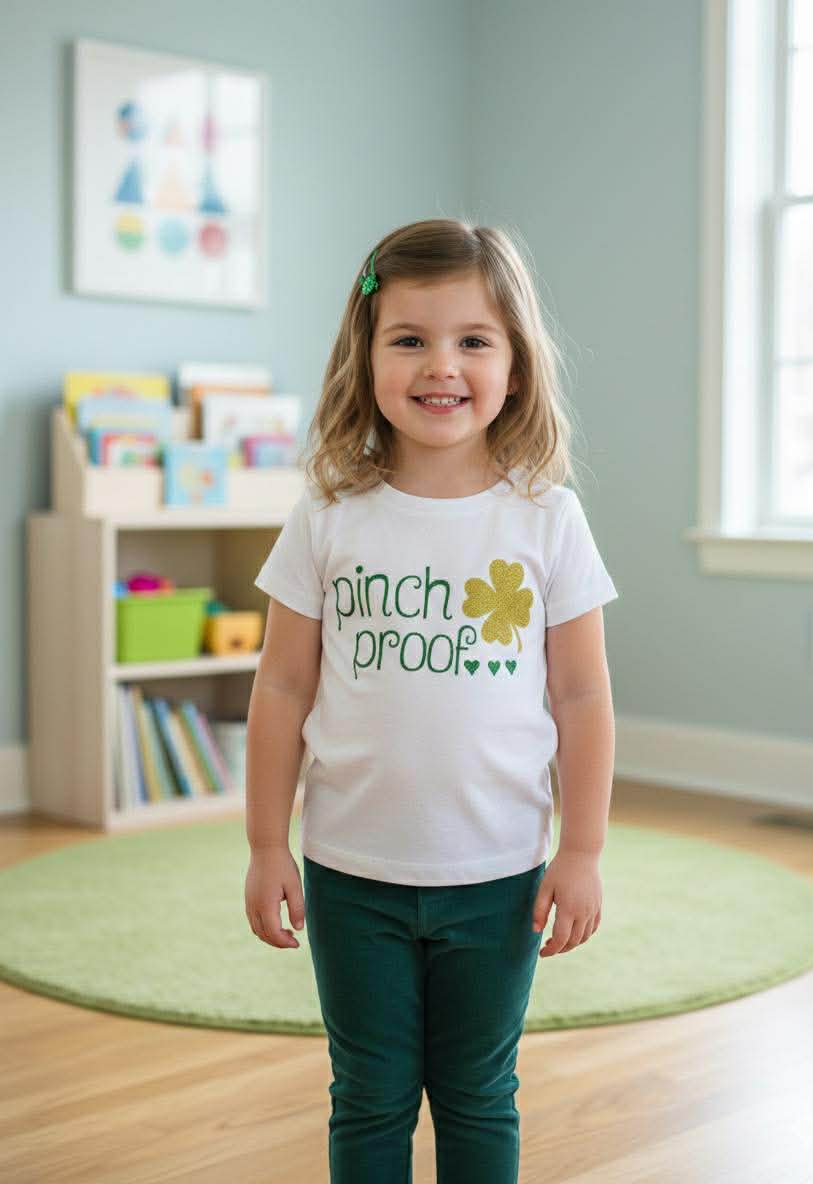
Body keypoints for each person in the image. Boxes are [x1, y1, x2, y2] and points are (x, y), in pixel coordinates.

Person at [244, 218, 619, 1183]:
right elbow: (282, 686)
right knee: (367, 1094)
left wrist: (580, 851)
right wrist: (262, 844)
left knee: (477, 1093)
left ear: (516, 364)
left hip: (497, 875)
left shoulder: (546, 515)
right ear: (364, 357)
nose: (440, 365)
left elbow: (581, 698)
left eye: (473, 340)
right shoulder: (328, 513)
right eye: (409, 338)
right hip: (348, 872)